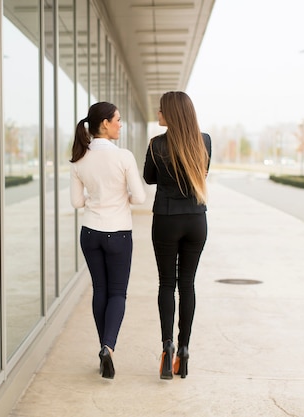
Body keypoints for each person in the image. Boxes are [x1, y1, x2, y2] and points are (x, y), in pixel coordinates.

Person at [70, 101, 146, 379]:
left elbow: (77, 201)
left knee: (99, 290)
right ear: (104, 123)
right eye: (117, 119)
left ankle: (103, 347)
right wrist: (119, 198)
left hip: (90, 233)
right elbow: (139, 197)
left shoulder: (79, 158)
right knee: (117, 293)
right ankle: (108, 348)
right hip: (118, 233)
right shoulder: (123, 157)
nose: (120, 124)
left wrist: (97, 199)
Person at [143, 91, 211, 380]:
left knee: (166, 284)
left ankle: (167, 347)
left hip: (166, 219)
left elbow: (148, 177)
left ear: (171, 114)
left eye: (161, 111)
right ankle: (184, 350)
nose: (158, 115)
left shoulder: (157, 144)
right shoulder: (204, 140)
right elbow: (203, 171)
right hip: (196, 219)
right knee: (187, 285)